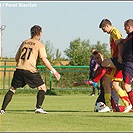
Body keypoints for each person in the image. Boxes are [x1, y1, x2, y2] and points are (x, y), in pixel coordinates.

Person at [0, 25, 61, 114]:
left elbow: (17, 57)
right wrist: (54, 71)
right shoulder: (39, 44)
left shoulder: (24, 42)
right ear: (40, 33)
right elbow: (44, 59)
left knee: (12, 89)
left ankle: (2, 109)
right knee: (42, 88)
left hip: (19, 69)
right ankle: (38, 107)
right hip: (30, 70)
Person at [99, 19, 132, 112]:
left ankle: (127, 104)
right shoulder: (112, 33)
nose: (103, 31)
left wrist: (120, 57)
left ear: (107, 26)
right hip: (116, 60)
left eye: (103, 29)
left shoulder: (114, 32)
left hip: (117, 61)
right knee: (109, 83)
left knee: (110, 81)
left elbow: (120, 44)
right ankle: (110, 106)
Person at [119, 19, 133, 107]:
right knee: (125, 85)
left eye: (125, 28)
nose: (124, 29)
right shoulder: (129, 37)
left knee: (127, 86)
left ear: (129, 26)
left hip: (129, 63)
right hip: (128, 63)